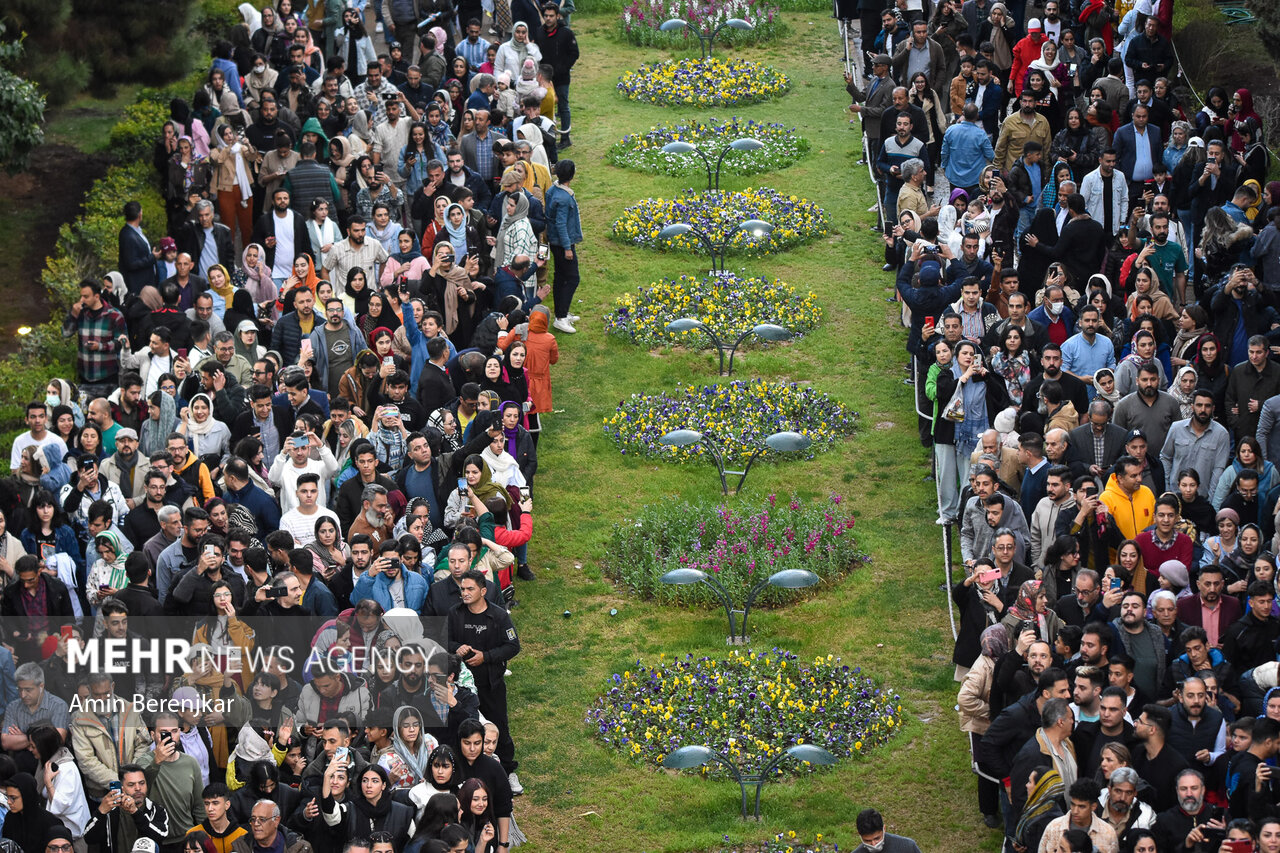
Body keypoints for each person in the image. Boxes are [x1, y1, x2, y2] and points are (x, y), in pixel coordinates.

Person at [852, 808, 923, 852]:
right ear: (859, 834)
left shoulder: (908, 847)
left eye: (877, 838)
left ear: (884, 829)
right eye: (867, 841)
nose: (874, 844)